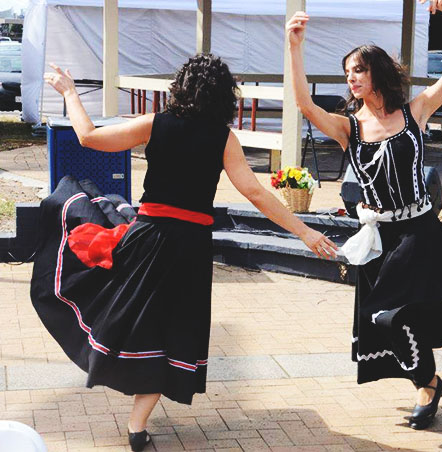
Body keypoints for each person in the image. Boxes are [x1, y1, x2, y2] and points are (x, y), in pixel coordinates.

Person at [33, 55, 338, 451]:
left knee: (132, 318)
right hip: (191, 248)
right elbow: (256, 192)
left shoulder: (156, 123)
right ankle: (137, 424)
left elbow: (88, 136)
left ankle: (134, 413)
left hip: (148, 239)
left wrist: (71, 92)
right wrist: (304, 231)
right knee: (175, 330)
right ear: (222, 95)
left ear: (181, 86)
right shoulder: (222, 137)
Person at [286, 0, 442, 431]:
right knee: (391, 320)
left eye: (359, 70)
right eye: (348, 71)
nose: (352, 78)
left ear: (378, 74)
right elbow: (304, 105)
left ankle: (427, 386)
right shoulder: (348, 127)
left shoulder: (415, 112)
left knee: (392, 315)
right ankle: (429, 383)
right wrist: (294, 48)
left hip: (420, 233)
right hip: (381, 238)